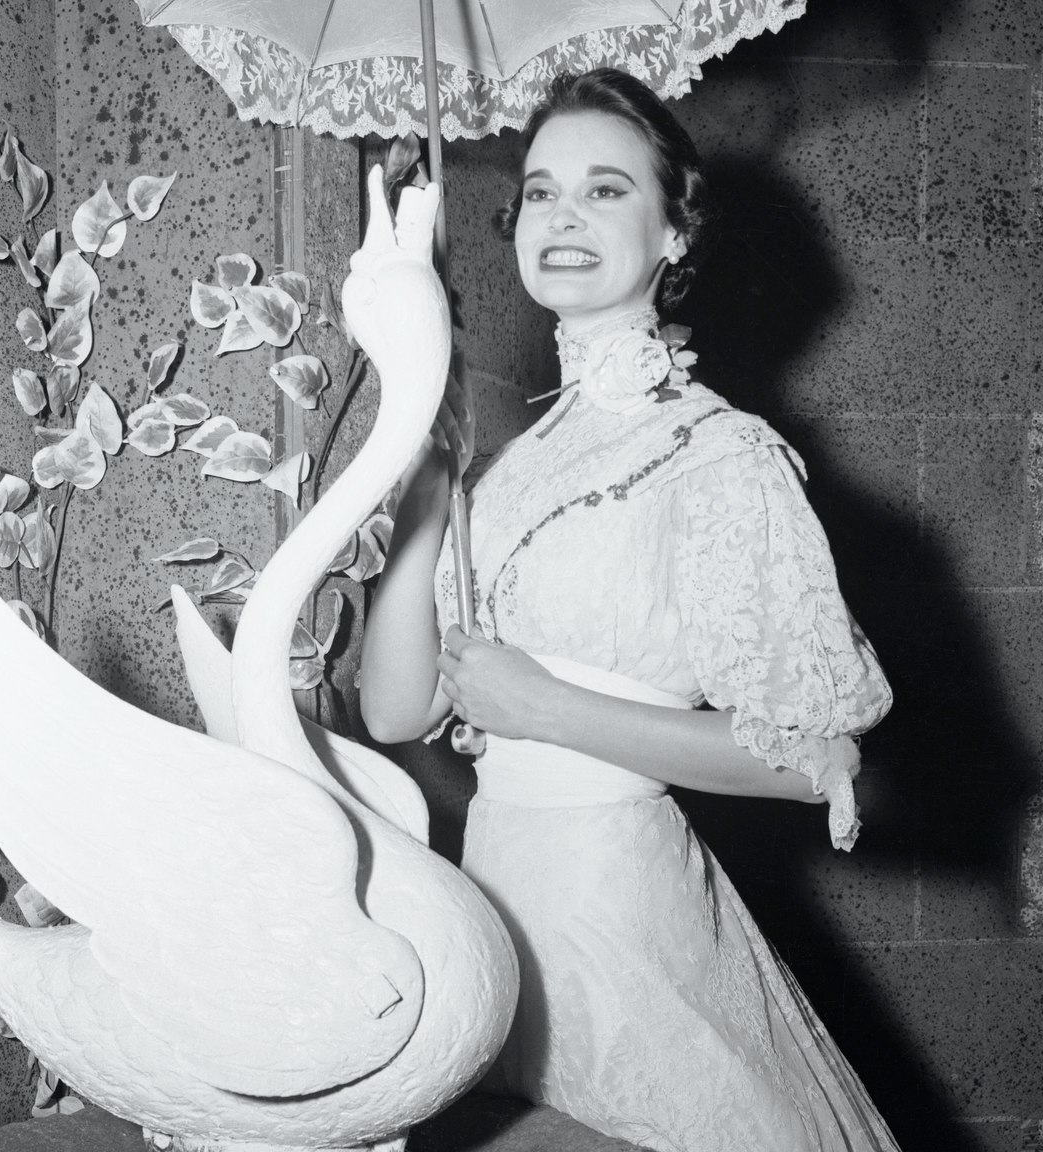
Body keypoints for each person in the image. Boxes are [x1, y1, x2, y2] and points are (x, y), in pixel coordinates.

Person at [360, 69, 900, 1152]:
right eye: (542, 192)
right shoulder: (498, 475)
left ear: (671, 236)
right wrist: (421, 477)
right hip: (493, 925)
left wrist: (549, 708)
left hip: (629, 927)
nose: (563, 216)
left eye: (606, 191)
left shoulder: (719, 455)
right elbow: (393, 709)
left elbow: (816, 758)